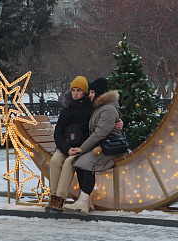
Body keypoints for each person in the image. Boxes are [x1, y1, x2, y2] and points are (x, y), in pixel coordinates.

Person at [63, 77, 125, 216]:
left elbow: (100, 133)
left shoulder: (107, 109)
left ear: (100, 94)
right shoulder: (98, 107)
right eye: (89, 92)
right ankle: (86, 200)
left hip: (110, 148)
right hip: (101, 146)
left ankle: (84, 201)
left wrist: (82, 148)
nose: (90, 95)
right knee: (80, 163)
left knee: (86, 163)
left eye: (92, 92)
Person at [45, 76, 91, 213]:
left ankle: (60, 199)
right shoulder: (66, 110)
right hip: (66, 146)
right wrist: (66, 148)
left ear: (84, 92)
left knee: (69, 163)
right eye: (73, 90)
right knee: (54, 161)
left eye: (79, 90)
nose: (75, 93)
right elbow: (58, 133)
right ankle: (53, 197)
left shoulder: (90, 108)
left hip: (83, 148)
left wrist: (80, 148)